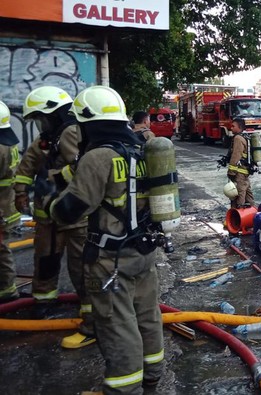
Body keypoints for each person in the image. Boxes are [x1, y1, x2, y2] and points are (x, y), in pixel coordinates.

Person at [48, 86, 165, 393]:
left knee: (117, 324)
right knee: (147, 316)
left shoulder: (98, 157)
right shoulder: (142, 150)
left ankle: (123, 389)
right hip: (145, 251)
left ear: (88, 123)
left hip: (111, 259)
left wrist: (50, 201)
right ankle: (153, 374)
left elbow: (70, 211)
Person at [15, 86, 93, 348]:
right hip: (48, 216)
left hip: (73, 214)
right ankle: (43, 299)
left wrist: (56, 178)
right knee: (45, 258)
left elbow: (82, 165)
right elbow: (26, 166)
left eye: (42, 118)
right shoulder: (47, 139)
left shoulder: (71, 133)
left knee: (80, 264)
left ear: (54, 114)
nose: (40, 124)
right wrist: (21, 192)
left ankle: (90, 310)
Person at [0, 101, 20, 304]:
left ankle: (6, 289)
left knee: (1, 249)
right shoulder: (9, 142)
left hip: (1, 206)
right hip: (7, 203)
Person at [227, 118, 255, 208]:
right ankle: (253, 214)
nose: (231, 128)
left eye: (233, 126)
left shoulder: (238, 138)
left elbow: (236, 155)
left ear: (239, 127)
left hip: (239, 172)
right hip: (245, 171)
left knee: (238, 194)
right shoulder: (245, 136)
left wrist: (231, 172)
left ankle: (238, 216)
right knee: (248, 193)